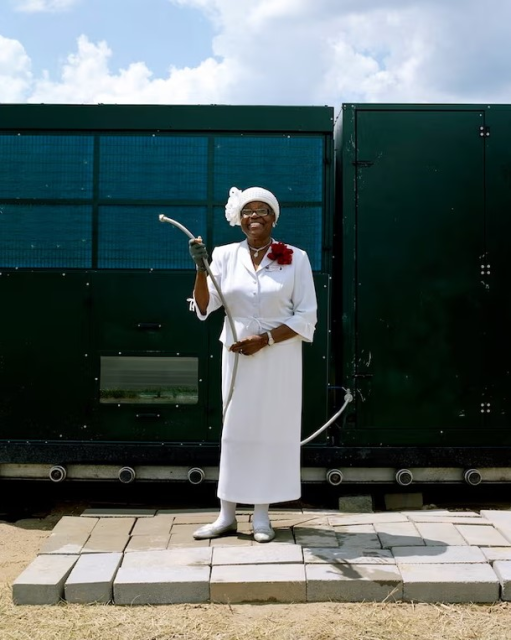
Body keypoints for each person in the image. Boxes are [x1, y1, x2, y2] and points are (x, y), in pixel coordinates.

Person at [188, 186, 317, 543]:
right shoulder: (225, 255)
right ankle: (226, 515)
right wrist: (201, 269)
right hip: (238, 355)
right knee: (235, 431)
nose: (254, 216)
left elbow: (308, 315)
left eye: (262, 210)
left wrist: (266, 339)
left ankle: (262, 515)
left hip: (279, 357)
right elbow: (204, 306)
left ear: (274, 217)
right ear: (239, 219)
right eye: (248, 211)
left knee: (272, 430)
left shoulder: (295, 257)